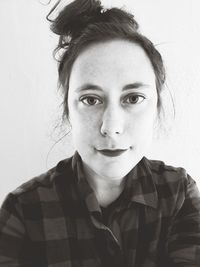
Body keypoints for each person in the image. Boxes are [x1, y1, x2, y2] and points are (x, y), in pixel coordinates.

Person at [0, 0, 200, 266]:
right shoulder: (23, 211)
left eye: (133, 98)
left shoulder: (179, 195)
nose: (111, 127)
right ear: (68, 109)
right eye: (91, 100)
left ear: (156, 105)